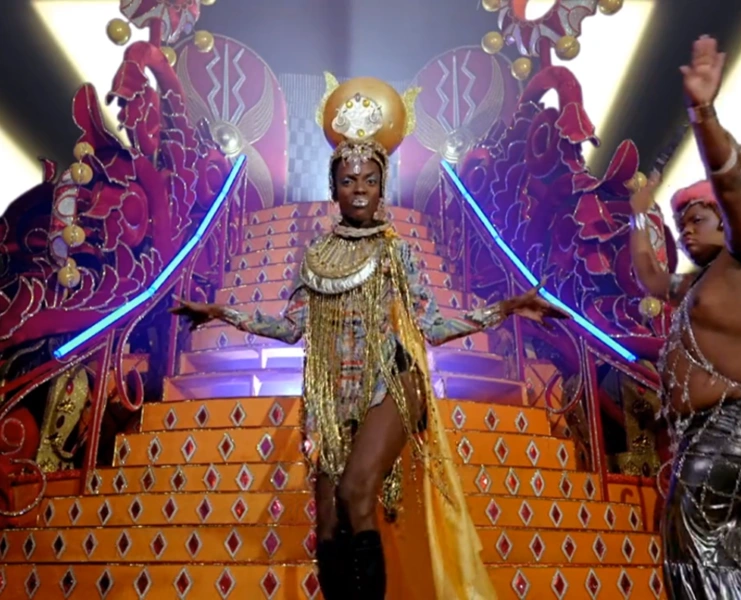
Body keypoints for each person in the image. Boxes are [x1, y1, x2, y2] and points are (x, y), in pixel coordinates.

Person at [172, 75, 569, 600]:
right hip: (330, 396)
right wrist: (222, 312)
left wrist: (507, 308)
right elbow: (291, 327)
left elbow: (433, 327)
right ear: (333, 188)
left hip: (390, 381)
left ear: (382, 188)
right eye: (348, 180)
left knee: (357, 491)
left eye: (369, 180)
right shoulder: (315, 255)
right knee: (328, 517)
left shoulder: (396, 250)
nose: (359, 188)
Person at [629, 36, 741, 599]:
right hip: (706, 430)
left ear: (725, 219)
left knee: (696, 550)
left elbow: (729, 183)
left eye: (697, 218)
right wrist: (638, 218)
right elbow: (651, 279)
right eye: (681, 223)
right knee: (720, 561)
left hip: (738, 422)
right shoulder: (697, 283)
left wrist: (702, 110)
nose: (686, 230)